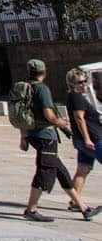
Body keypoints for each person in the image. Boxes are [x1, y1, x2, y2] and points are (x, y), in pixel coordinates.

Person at [19, 59, 98, 222]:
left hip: (32, 134)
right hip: (45, 136)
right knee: (45, 171)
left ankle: (83, 208)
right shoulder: (41, 89)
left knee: (61, 172)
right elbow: (49, 115)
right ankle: (31, 209)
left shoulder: (25, 87)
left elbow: (21, 114)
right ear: (44, 72)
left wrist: (23, 136)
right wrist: (60, 123)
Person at [67, 67, 101, 205]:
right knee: (82, 170)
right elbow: (79, 118)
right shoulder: (77, 97)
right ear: (72, 84)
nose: (84, 84)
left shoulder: (73, 97)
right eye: (80, 82)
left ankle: (75, 202)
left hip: (81, 140)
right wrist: (87, 138)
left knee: (83, 169)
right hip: (93, 140)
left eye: (85, 81)